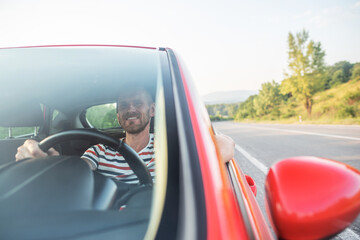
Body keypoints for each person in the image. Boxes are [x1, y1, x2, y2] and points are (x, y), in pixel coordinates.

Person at [15, 86, 234, 183]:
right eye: (123, 105)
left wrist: (200, 152)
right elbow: (78, 172)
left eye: (138, 103)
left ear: (152, 110)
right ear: (118, 116)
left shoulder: (169, 146)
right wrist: (50, 164)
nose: (130, 109)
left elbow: (225, 145)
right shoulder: (99, 151)